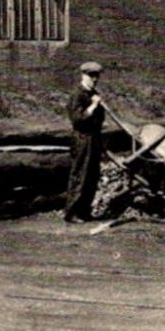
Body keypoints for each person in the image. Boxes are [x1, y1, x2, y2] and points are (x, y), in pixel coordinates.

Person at [62, 61, 107, 222]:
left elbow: (100, 119)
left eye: (97, 76)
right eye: (91, 76)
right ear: (83, 75)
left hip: (94, 138)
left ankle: (84, 211)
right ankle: (72, 212)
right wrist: (94, 106)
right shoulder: (78, 94)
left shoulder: (93, 94)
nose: (94, 79)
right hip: (82, 139)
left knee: (92, 176)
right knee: (80, 175)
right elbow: (77, 119)